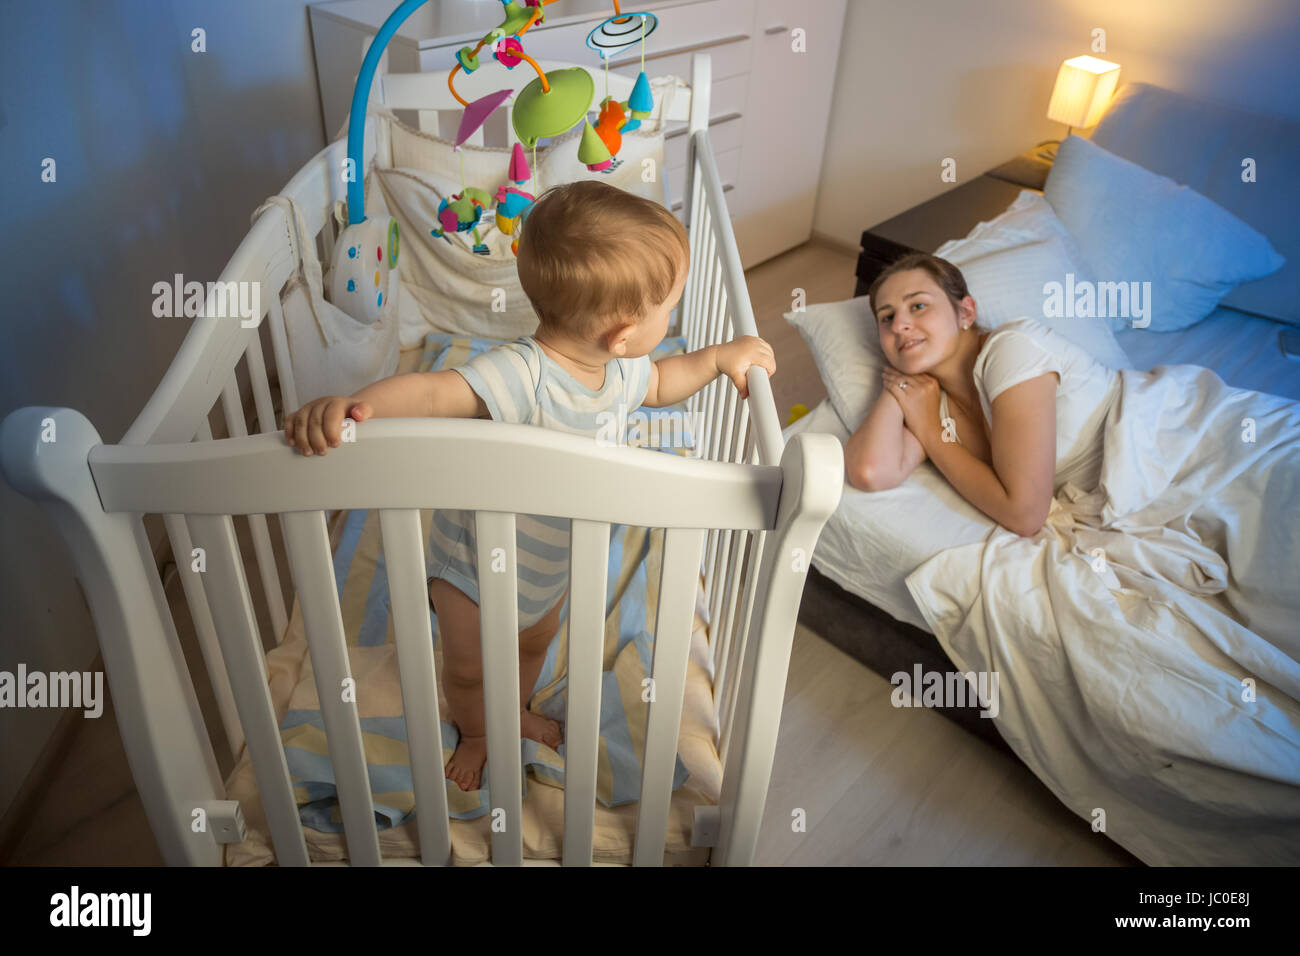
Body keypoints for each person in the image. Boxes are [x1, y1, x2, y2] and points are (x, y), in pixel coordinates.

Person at [283, 179, 775, 791]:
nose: (670, 321)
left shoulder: (620, 371)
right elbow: (436, 392)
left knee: (530, 648)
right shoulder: (522, 374)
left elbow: (661, 384)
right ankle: (479, 729)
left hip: (556, 560)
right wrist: (356, 406)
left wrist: (715, 359)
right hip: (475, 568)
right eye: (668, 308)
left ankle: (512, 709)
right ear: (622, 333)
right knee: (467, 669)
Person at [845, 252, 1118, 536]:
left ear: (966, 313)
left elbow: (1025, 516)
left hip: (1155, 441)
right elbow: (870, 472)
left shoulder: (1012, 350)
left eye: (919, 305)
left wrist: (929, 430)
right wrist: (897, 384)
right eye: (886, 317)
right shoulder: (926, 398)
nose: (899, 325)